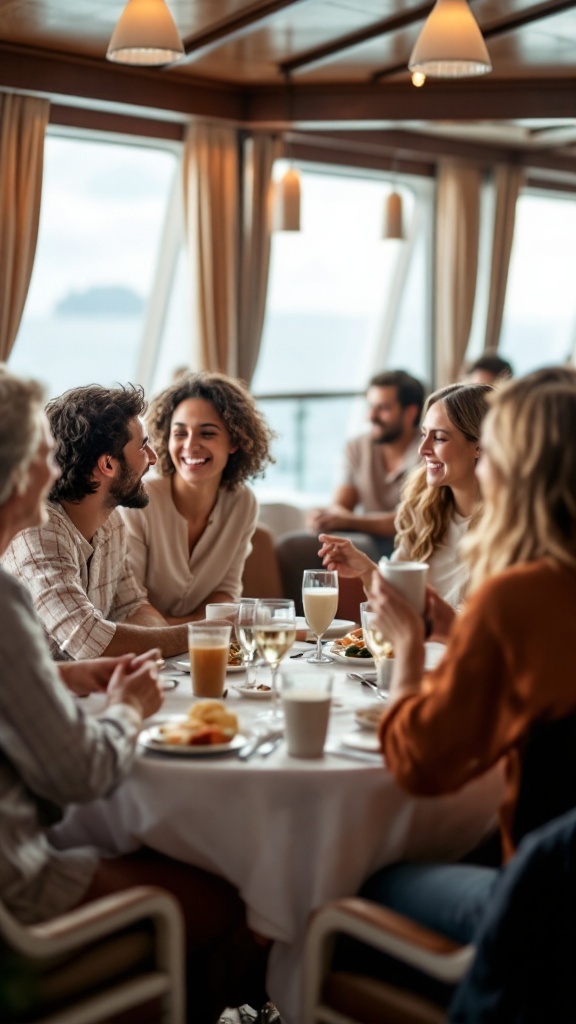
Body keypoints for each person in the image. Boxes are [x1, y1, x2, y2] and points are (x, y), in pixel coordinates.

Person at [0, 367, 268, 1022]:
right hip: (22, 879)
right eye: (41, 451)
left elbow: (119, 612)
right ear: (102, 466)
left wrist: (65, 676)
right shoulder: (29, 550)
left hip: (41, 790)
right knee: (244, 895)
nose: (155, 456)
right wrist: (133, 701)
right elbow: (80, 769)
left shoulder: (113, 522)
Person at [357, 372, 576, 953]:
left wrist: (408, 646)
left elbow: (418, 764)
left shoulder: (522, 596)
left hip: (539, 909)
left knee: (361, 876)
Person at [3, 383, 190, 659]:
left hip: (86, 694)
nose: (153, 458)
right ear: (108, 465)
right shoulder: (38, 532)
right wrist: (208, 633)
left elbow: (135, 608)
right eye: (143, 446)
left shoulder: (111, 522)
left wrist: (128, 642)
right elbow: (89, 642)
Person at [320, 382, 492, 612]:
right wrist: (366, 570)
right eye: (423, 435)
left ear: (479, 446)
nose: (423, 449)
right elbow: (396, 603)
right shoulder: (422, 508)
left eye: (439, 438)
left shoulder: (511, 524)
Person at [121, 371, 274, 622]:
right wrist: (199, 627)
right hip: (142, 650)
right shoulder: (138, 501)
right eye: (180, 433)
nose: (191, 445)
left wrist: (183, 629)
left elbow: (225, 592)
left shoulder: (242, 503)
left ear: (234, 441)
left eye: (207, 433)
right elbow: (130, 607)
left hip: (205, 647)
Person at [307, 369, 425, 560]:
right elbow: (341, 505)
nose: (371, 416)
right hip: (367, 540)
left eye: (383, 408)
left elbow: (410, 520)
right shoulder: (357, 447)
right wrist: (326, 519)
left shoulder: (429, 451)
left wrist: (347, 521)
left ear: (410, 413)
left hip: (412, 543)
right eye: (371, 407)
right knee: (296, 545)